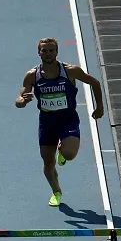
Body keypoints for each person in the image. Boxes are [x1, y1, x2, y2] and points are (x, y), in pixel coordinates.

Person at [15, 36, 104, 207]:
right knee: (48, 163)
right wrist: (23, 101)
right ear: (39, 52)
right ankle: (56, 192)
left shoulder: (70, 71)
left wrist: (99, 107)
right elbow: (19, 100)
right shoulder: (32, 75)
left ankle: (62, 150)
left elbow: (95, 83)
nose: (48, 53)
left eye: (51, 50)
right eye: (44, 50)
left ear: (56, 52)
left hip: (68, 119)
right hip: (47, 123)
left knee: (70, 154)